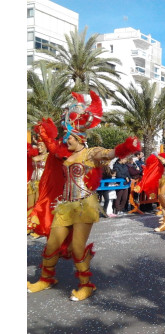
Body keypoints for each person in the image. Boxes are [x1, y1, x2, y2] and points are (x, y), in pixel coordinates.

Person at [27, 91, 140, 301]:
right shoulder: (65, 155)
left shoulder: (90, 153)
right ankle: (46, 278)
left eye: (69, 138)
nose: (66, 141)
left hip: (83, 207)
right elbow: (52, 147)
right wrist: (44, 133)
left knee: (78, 248)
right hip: (64, 206)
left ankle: (86, 285)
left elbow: (109, 154)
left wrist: (125, 148)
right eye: (65, 138)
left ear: (80, 139)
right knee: (52, 244)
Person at [27, 140, 48, 238]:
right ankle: (29, 226)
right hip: (32, 183)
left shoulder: (49, 157)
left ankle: (39, 228)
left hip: (42, 184)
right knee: (30, 206)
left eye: (41, 145)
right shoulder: (34, 156)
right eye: (38, 145)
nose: (39, 147)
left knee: (39, 206)